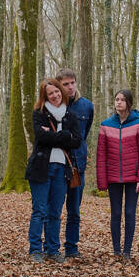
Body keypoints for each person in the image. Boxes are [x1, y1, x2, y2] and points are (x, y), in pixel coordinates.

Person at [25, 78, 82, 263]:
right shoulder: (39, 113)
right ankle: (35, 249)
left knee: (55, 212)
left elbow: (76, 141)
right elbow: (41, 137)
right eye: (51, 93)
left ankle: (53, 250)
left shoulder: (70, 115)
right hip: (41, 167)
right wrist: (64, 136)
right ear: (45, 96)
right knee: (39, 210)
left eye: (57, 91)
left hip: (62, 169)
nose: (55, 95)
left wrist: (57, 136)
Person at [96, 89, 139, 259]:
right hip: (113, 177)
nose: (119, 102)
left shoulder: (138, 124)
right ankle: (116, 250)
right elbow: (101, 155)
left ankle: (127, 250)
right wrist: (102, 182)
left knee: (129, 213)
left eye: (122, 100)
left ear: (129, 103)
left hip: (133, 177)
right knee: (116, 213)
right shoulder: (106, 125)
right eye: (116, 99)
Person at [57, 69, 94, 258]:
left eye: (73, 83)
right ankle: (51, 247)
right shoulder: (52, 105)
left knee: (74, 210)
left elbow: (83, 134)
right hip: (56, 165)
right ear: (58, 85)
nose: (70, 87)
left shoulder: (86, 106)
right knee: (53, 208)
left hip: (77, 166)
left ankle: (71, 248)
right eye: (65, 84)